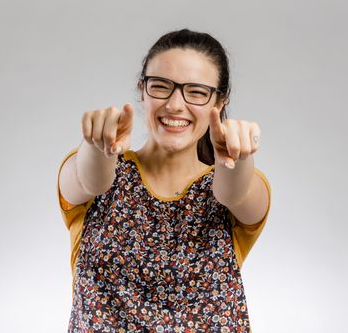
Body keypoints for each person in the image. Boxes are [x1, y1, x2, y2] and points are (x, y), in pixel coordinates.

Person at [57, 28, 271, 333]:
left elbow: (234, 192)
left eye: (196, 91)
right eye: (161, 86)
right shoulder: (99, 171)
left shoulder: (235, 187)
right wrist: (97, 144)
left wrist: (239, 156)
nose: (174, 104)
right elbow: (91, 179)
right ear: (142, 90)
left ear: (219, 101)